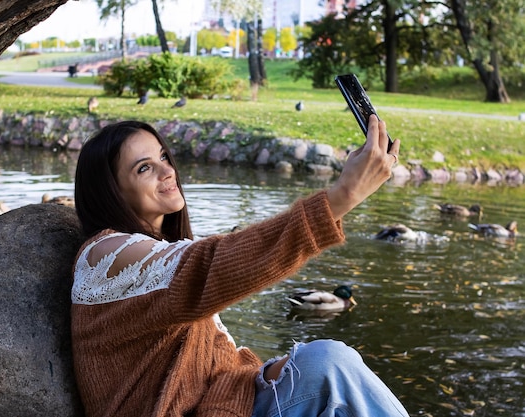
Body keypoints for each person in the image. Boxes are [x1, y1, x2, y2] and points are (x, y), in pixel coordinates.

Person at [71, 115, 409, 417]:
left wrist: (267, 373)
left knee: (324, 363)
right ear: (110, 191)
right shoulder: (106, 253)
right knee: (330, 365)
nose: (168, 170)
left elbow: (210, 365)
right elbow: (209, 265)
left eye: (163, 156)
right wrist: (343, 195)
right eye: (144, 167)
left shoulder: (162, 255)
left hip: (224, 403)